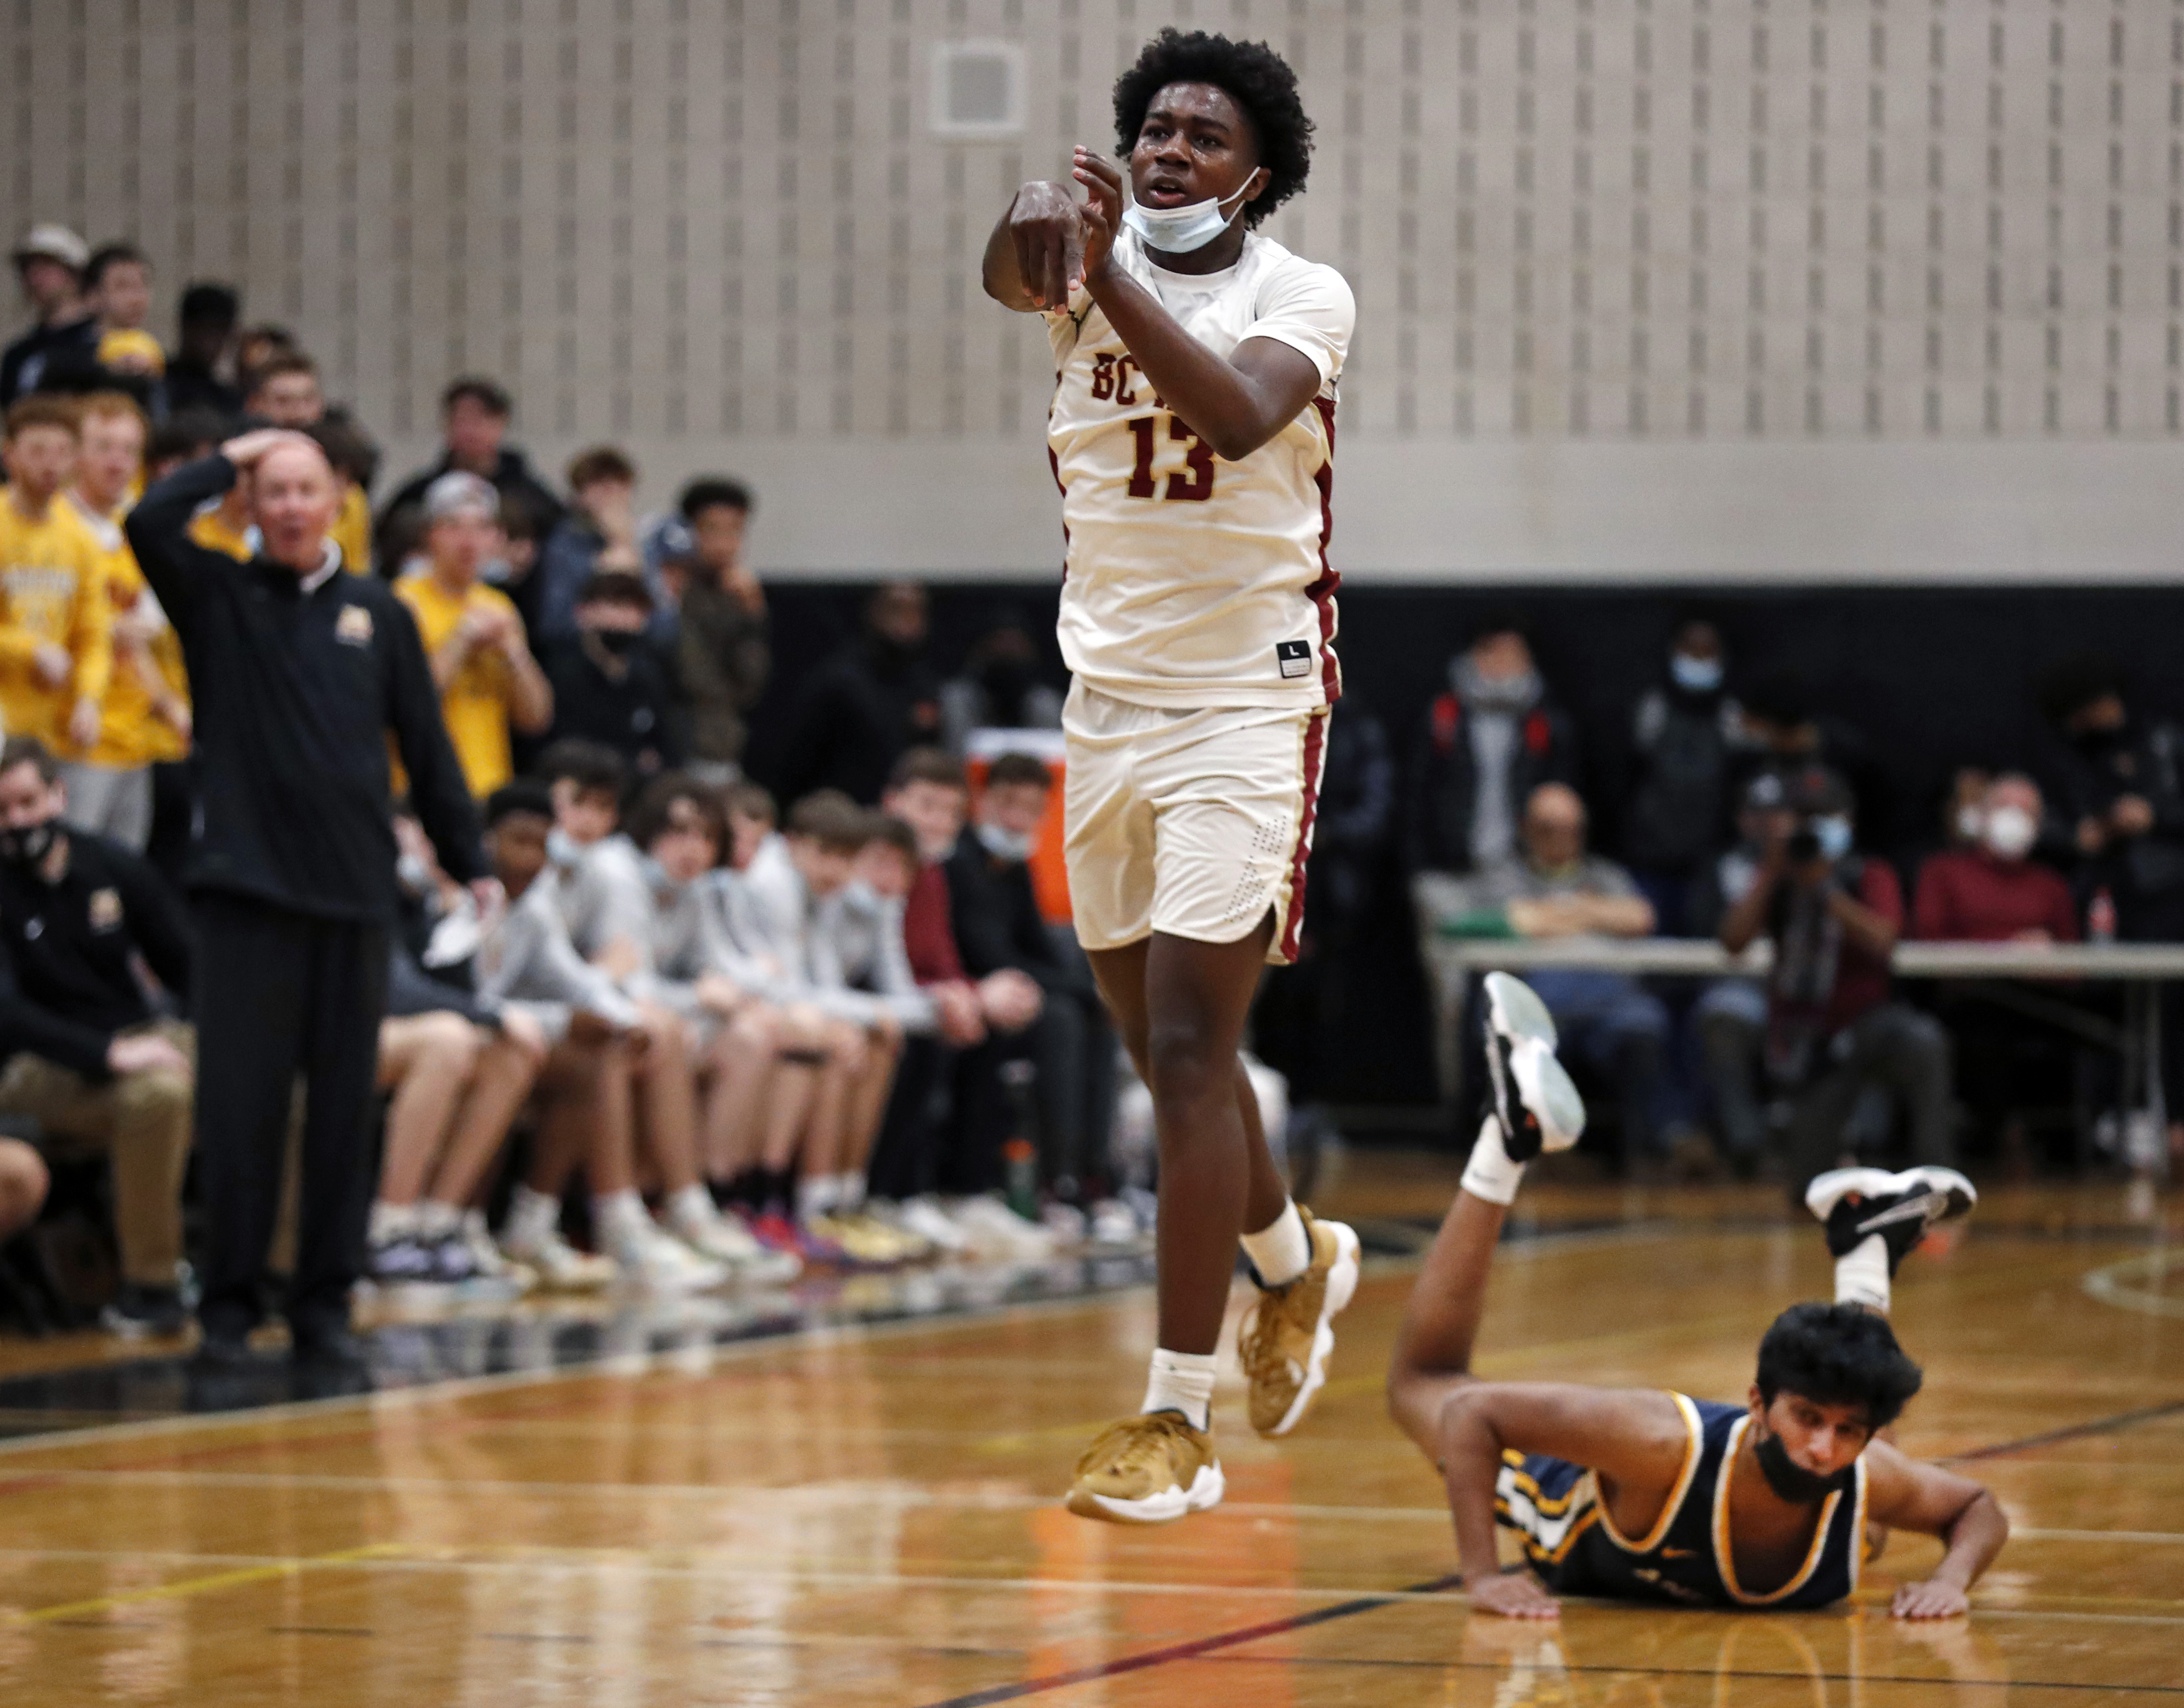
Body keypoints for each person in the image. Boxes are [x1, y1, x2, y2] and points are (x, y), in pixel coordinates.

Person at [986, 26, 1363, 1519]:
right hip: (1107, 710)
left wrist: (1106, 278)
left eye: (1202, 137)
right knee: (1160, 1051)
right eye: (1151, 130)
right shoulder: (1076, 276)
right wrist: (1031, 222)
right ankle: (1294, 1261)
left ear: (1253, 171)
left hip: (1245, 707)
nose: (1168, 152)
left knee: (1198, 1056)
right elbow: (1012, 274)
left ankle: (1171, 1420)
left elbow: (1234, 411)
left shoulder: (1299, 291)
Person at [1385, 973, 2006, 1620]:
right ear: (1758, 1403)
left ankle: (1865, 1254)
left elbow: (1977, 1508)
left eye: (1848, 1430)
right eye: (1807, 1419)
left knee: (1862, 1528)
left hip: (1779, 1516)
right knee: (1422, 1383)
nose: (1824, 1447)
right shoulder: (1656, 1443)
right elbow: (1470, 1416)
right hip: (1564, 1506)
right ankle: (1505, 1139)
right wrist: (1482, 1575)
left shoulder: (1858, 1470)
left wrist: (1951, 1582)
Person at [126, 426, 488, 1370]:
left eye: (305, 490)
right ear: (252, 502)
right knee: (241, 1112)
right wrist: (233, 455)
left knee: (339, 1115)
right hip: (245, 898)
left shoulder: (381, 613)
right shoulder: (217, 596)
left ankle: (324, 1302)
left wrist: (468, 855)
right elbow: (149, 519)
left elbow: (426, 744)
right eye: (272, 491)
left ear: (336, 505)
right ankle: (231, 1308)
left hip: (355, 898)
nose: (289, 507)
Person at [0, 737, 197, 1336]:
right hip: (35, 1066)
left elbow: (188, 963)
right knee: (157, 1093)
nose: (18, 822)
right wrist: (109, 1054)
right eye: (3, 811)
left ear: (60, 795)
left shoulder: (110, 865)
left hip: (138, 1038)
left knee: (266, 1072)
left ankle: (275, 1272)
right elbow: (7, 1013)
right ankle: (151, 1286)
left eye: (28, 803)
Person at [1714, 764, 1953, 1192]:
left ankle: (1936, 1178)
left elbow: (1884, 938)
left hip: (1866, 1024)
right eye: (1804, 818)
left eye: (1825, 817)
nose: (1814, 828)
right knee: (1809, 1187)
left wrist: (1826, 889)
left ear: (1847, 822)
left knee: (1924, 1042)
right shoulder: (1777, 877)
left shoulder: (1867, 873)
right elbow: (1733, 941)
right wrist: (1772, 872)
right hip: (1806, 1036)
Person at [1433, 783, 1672, 1170]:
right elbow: (1475, 923)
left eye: (1571, 829)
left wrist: (1556, 914)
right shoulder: (1504, 876)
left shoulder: (1604, 873)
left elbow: (1640, 917)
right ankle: (1518, 1150)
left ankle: (1638, 1149)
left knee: (1644, 1024)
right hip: (1539, 1001)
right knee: (1510, 1032)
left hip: (1609, 1002)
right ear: (1526, 828)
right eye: (1548, 828)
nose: (1561, 838)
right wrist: (1592, 914)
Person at [944, 754, 1121, 1213]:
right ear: (981, 800)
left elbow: (1038, 947)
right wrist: (1083, 990)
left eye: (1031, 808)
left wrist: (1098, 990)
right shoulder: (959, 861)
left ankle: (1092, 1174)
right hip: (971, 988)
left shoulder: (1016, 866)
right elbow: (990, 953)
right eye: (1009, 804)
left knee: (1100, 1018)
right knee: (1061, 1015)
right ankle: (1054, 1180)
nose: (1019, 819)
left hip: (1012, 988)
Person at [1914, 772, 2086, 1172]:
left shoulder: (2051, 884)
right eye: (2004, 808)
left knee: (2074, 1033)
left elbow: (2076, 961)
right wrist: (2004, 947)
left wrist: (2048, 963)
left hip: (2038, 1000)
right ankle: (1992, 1142)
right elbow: (1925, 941)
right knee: (1984, 1029)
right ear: (1981, 816)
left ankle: (2060, 1152)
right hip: (1967, 998)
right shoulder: (1944, 870)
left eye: (2026, 812)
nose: (2014, 818)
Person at [61, 392, 188, 852]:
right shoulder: (52, 526)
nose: (118, 463)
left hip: (134, 740)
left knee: (117, 884)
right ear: (75, 452)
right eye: (104, 447)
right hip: (72, 739)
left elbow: (143, 636)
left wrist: (171, 706)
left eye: (130, 450)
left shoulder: (134, 529)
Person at [394, 472, 554, 797]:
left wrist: (514, 654)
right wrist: (459, 642)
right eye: (454, 528)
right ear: (430, 535)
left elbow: (536, 719)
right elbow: (402, 704)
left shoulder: (498, 607)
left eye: (482, 529)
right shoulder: (402, 602)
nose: (469, 542)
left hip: (489, 788)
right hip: (420, 790)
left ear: (496, 538)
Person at [1406, 614, 1580, 882]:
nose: (1502, 664)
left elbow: (1560, 798)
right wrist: (1420, 865)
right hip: (1451, 869)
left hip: (1525, 869)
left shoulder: (1545, 723)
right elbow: (1418, 794)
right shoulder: (1444, 717)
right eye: (1492, 653)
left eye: (1512, 654)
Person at [1, 397, 113, 759]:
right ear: (9, 455)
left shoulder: (80, 538)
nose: (51, 464)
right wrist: (30, 650)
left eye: (62, 452)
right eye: (37, 451)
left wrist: (89, 700)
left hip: (52, 731)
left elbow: (94, 633)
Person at [1620, 618, 1746, 935]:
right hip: (1651, 860)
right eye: (1692, 652)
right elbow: (1628, 779)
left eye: (1708, 653)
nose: (1699, 661)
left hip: (1706, 862)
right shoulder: (1653, 710)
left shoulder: (1729, 716)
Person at [374, 376, 564, 575]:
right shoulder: (416, 495)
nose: (471, 431)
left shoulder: (534, 499)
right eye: (462, 420)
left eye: (481, 420)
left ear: (501, 424)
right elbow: (389, 552)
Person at [777, 580, 944, 804]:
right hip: (844, 821)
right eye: (896, 609)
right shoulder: (839, 682)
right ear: (873, 611)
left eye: (916, 611)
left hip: (901, 822)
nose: (907, 619)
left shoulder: (924, 686)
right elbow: (796, 763)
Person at [537, 569, 681, 778]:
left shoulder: (649, 677)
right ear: (582, 612)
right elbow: (559, 750)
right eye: (616, 604)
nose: (624, 617)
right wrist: (634, 761)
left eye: (635, 608)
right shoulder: (558, 673)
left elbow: (667, 750)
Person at [670, 478, 770, 781]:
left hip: (721, 747)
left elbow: (751, 686)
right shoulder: (674, 590)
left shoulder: (739, 597)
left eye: (736, 531)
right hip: (677, 746)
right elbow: (694, 678)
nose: (725, 544)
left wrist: (754, 617)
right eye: (712, 530)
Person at [533, 446, 661, 644]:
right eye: (598, 484)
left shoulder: (645, 543)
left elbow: (664, 621)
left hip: (638, 654)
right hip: (579, 653)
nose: (610, 492)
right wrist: (599, 578)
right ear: (580, 494)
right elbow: (552, 623)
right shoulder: (563, 544)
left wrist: (628, 549)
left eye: (619, 484)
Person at [938, 614, 1064, 757]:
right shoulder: (972, 682)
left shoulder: (1038, 690)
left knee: (1046, 704)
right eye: (1002, 641)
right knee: (957, 698)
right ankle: (959, 775)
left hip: (1030, 743)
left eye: (1015, 642)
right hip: (979, 722)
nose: (1009, 648)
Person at [2, 225, 99, 405]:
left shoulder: (101, 342)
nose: (34, 277)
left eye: (45, 267)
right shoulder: (19, 354)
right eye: (27, 269)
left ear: (75, 272)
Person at [82, 244, 165, 408]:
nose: (137, 298)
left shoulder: (152, 350)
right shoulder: (71, 355)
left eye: (143, 285)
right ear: (92, 296)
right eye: (123, 287)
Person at [162, 283, 243, 424]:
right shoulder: (156, 383)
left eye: (221, 330)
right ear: (185, 327)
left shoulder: (229, 398)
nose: (211, 341)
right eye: (205, 328)